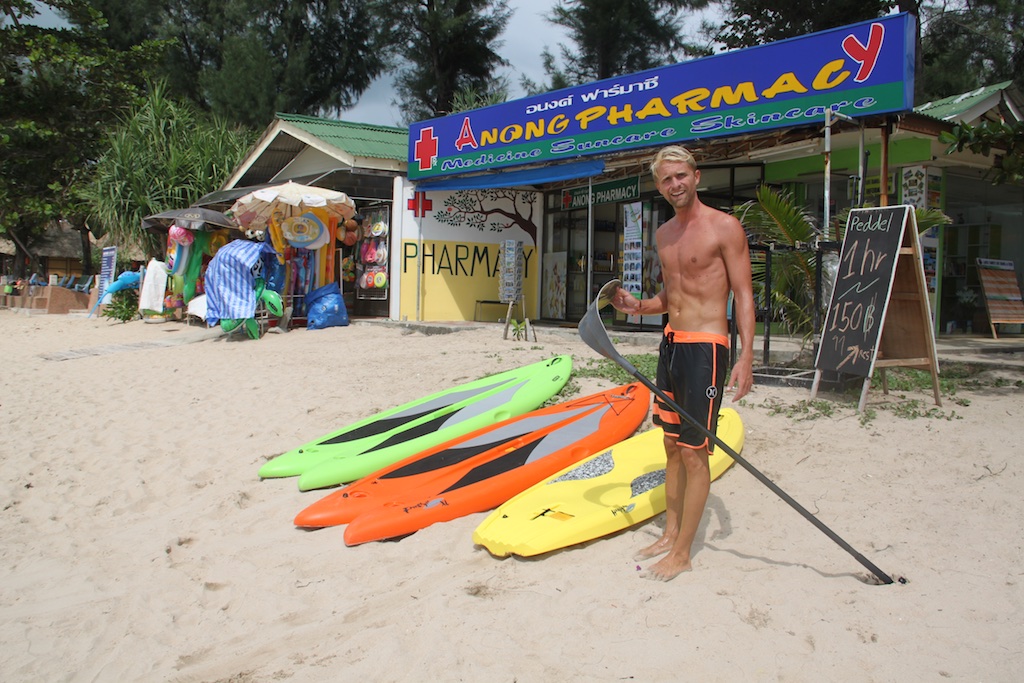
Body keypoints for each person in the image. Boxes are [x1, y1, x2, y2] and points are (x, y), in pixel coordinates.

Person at [611, 145, 755, 581]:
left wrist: (746, 356)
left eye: (681, 176)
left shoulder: (724, 227)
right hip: (671, 344)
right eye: (666, 179)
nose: (675, 184)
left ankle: (683, 554)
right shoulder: (665, 234)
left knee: (695, 454)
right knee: (670, 445)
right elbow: (672, 297)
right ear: (659, 187)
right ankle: (671, 533)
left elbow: (744, 295)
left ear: (696, 176)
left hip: (707, 349)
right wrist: (639, 307)